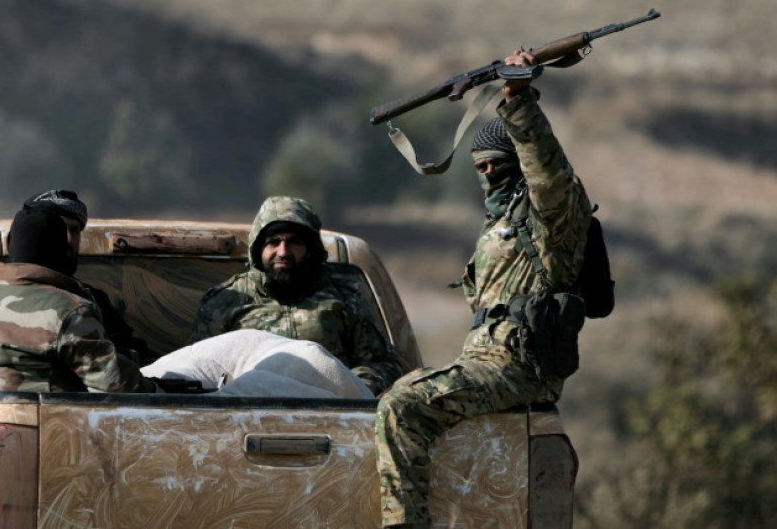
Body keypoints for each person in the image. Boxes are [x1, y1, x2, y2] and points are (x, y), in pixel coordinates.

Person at [374, 49, 594, 528]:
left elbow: (547, 174)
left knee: (402, 406)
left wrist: (517, 98)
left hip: (521, 367)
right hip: (487, 363)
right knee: (393, 389)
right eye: (481, 168)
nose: (489, 174)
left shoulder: (551, 219)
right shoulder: (500, 226)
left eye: (497, 164)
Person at [189, 196, 403, 395]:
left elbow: (383, 366)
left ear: (310, 249)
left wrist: (346, 390)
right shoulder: (226, 301)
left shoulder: (344, 297)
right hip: (245, 416)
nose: (283, 252)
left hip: (330, 419)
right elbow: (197, 372)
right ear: (258, 249)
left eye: (294, 242)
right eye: (273, 242)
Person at [0, 208, 158, 393]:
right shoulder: (69, 312)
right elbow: (116, 387)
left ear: (10, 244)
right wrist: (159, 391)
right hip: (56, 430)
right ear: (61, 248)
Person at [20, 189, 157, 365]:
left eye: (75, 230)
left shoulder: (92, 300)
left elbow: (130, 359)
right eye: (60, 229)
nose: (69, 239)